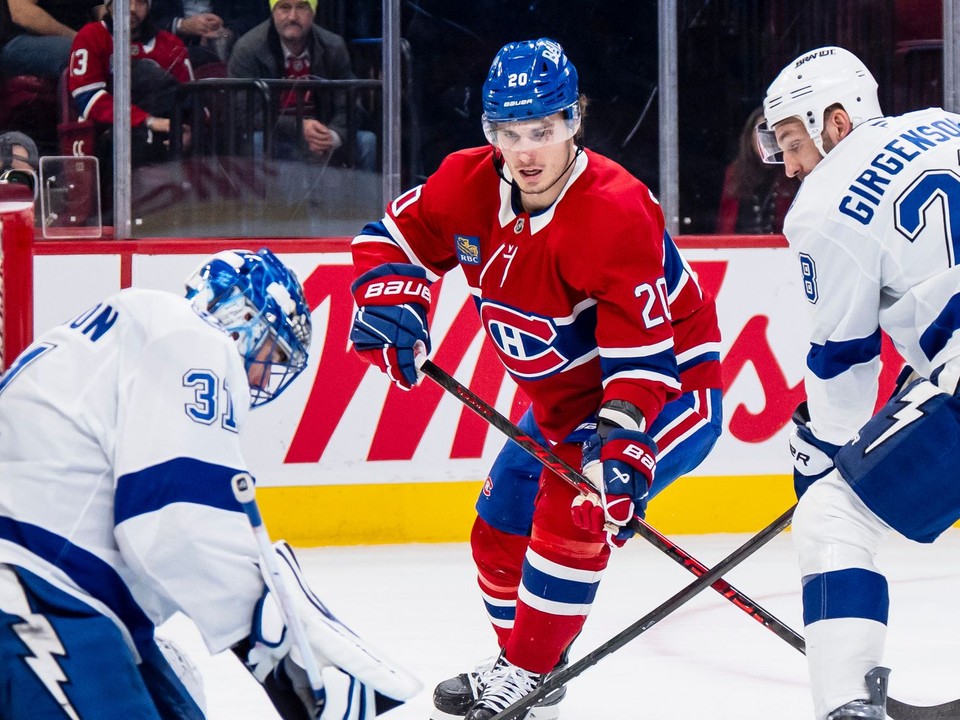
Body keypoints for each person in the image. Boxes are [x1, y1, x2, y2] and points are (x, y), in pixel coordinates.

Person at [349, 38, 723, 720]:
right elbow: (390, 238)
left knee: (575, 506)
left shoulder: (615, 210)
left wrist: (625, 447)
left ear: (574, 121)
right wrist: (389, 299)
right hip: (559, 405)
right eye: (510, 132)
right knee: (496, 528)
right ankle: (525, 663)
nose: (526, 152)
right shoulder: (464, 185)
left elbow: (640, 362)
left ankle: (528, 669)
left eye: (544, 130)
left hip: (671, 390)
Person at [0, 247, 420, 719]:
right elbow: (176, 523)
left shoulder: (121, 331)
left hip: (53, 587)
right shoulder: (191, 335)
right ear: (242, 315)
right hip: (34, 589)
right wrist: (279, 642)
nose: (264, 373)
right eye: (272, 352)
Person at [757, 45, 960, 720]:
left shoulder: (826, 201)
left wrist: (823, 457)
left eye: (791, 140)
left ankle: (847, 707)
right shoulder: (943, 123)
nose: (788, 165)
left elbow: (844, 358)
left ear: (836, 122)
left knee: (832, 515)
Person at [227, 0, 377, 172]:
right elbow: (245, 115)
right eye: (284, 7)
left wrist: (332, 136)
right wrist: (300, 127)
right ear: (273, 12)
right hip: (275, 134)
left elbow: (350, 104)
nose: (292, 17)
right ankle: (261, 200)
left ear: (313, 12)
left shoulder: (334, 46)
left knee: (367, 142)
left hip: (322, 131)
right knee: (258, 142)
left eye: (302, 7)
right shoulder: (248, 49)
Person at [715, 106, 796, 235]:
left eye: (772, 132)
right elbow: (725, 225)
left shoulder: (792, 170)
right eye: (761, 132)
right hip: (740, 248)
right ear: (749, 136)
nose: (766, 139)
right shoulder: (736, 173)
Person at [0, 0, 103, 78]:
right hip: (16, 40)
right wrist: (81, 39)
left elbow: (100, 9)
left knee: (112, 55)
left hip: (74, 39)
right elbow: (22, 14)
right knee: (81, 55)